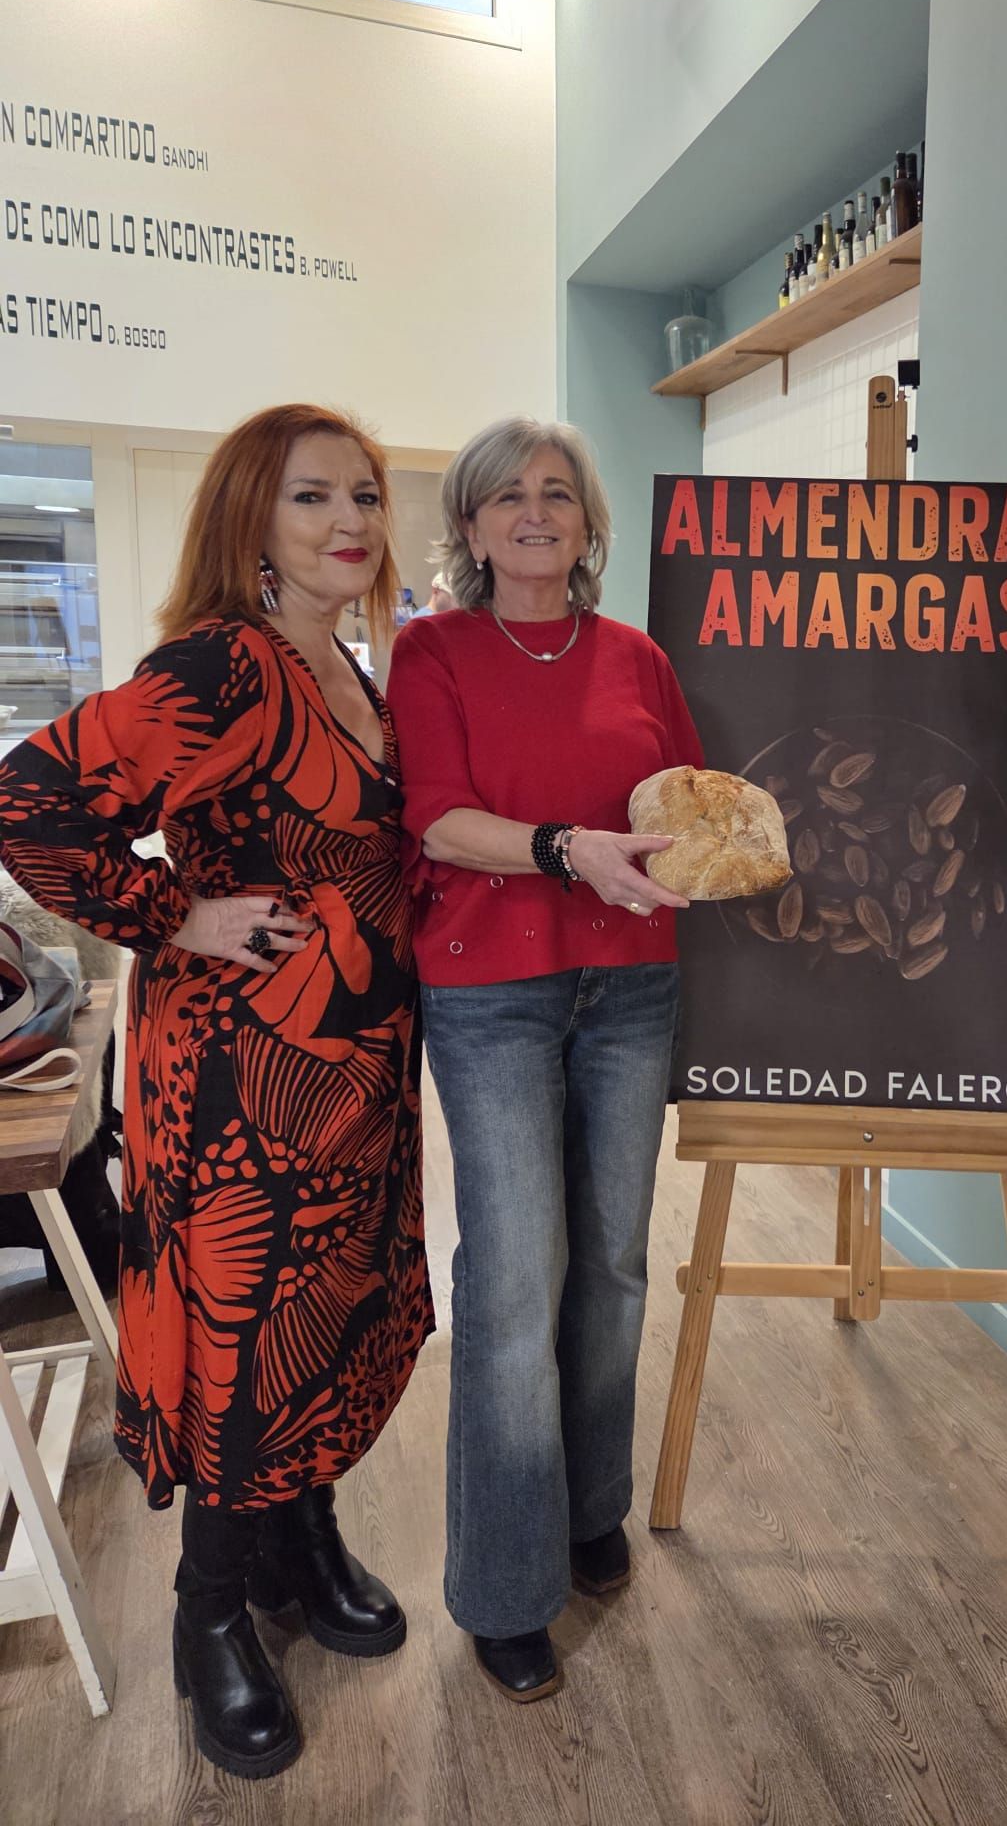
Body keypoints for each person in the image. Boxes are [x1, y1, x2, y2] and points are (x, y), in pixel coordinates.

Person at [0, 404, 434, 1777]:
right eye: (312, 499)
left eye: (363, 494)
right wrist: (174, 915)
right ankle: (208, 1615)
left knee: (334, 1307)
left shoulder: (357, 665)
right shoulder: (224, 666)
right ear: (253, 520)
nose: (350, 522)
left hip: (355, 1065)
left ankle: (300, 1544)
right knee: (249, 1326)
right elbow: (27, 800)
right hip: (242, 1068)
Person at [386, 415, 702, 1704]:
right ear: (468, 529)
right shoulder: (432, 647)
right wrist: (573, 849)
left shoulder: (637, 655)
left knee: (615, 1267)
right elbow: (439, 822)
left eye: (557, 494)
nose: (534, 513)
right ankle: (509, 1586)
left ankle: (587, 1509)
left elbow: (683, 803)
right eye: (506, 497)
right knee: (517, 1283)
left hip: (633, 989)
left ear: (587, 522)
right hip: (493, 992)